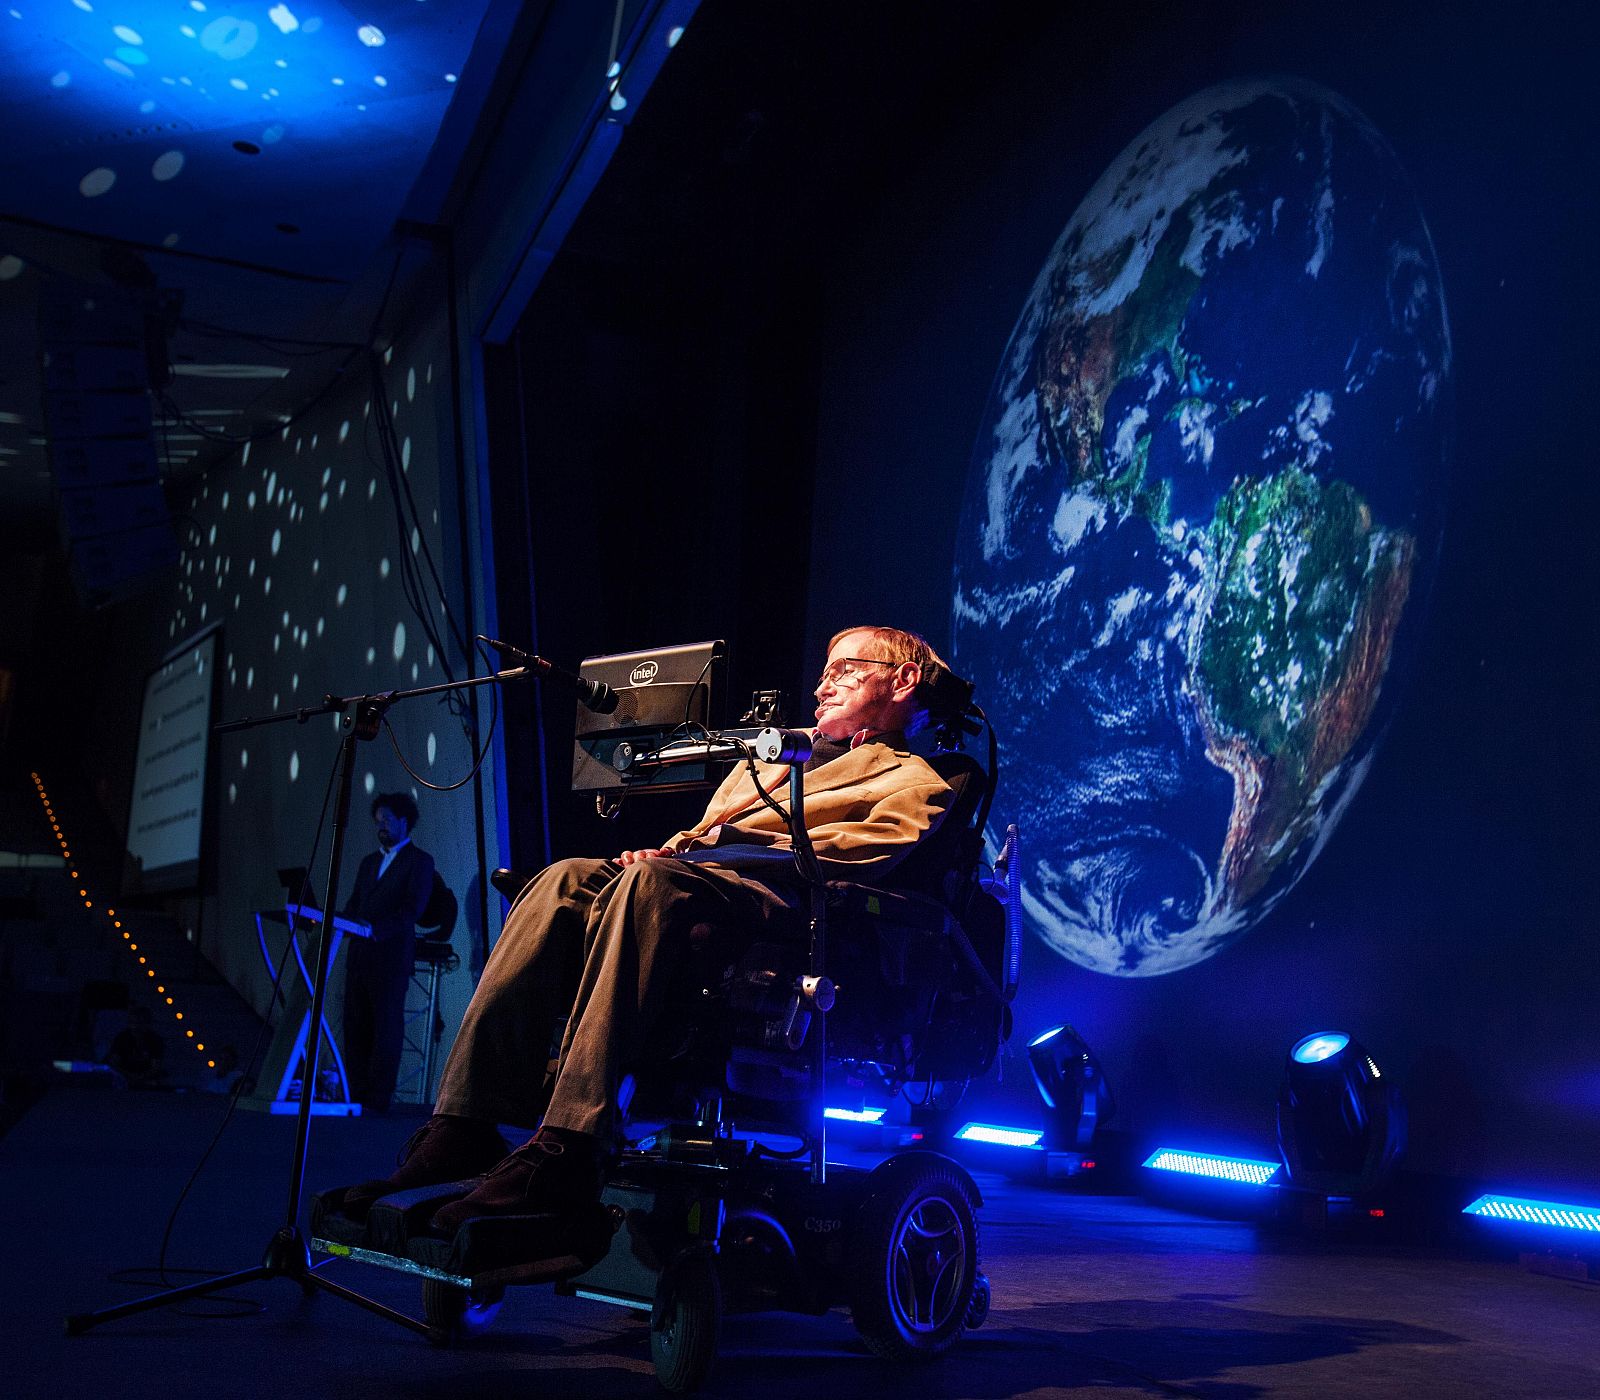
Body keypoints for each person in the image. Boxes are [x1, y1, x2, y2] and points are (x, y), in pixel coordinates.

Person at [342, 625, 955, 1229]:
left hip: (780, 908)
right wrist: (665, 854)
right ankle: (466, 1122)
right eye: (823, 672)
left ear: (901, 681)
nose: (824, 684)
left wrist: (695, 860)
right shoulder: (766, 754)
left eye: (846, 668)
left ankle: (570, 1142)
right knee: (563, 881)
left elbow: (857, 854)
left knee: (651, 884)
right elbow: (695, 837)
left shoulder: (914, 780)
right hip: (692, 882)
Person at [341, 792, 436, 1114]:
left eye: (387, 820)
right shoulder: (369, 862)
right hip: (359, 957)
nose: (380, 826)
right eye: (377, 821)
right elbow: (355, 902)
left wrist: (375, 929)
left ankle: (378, 1099)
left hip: (390, 957)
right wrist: (334, 921)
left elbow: (413, 908)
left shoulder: (419, 861)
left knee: (385, 1027)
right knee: (355, 1025)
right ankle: (355, 1095)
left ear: (404, 821)